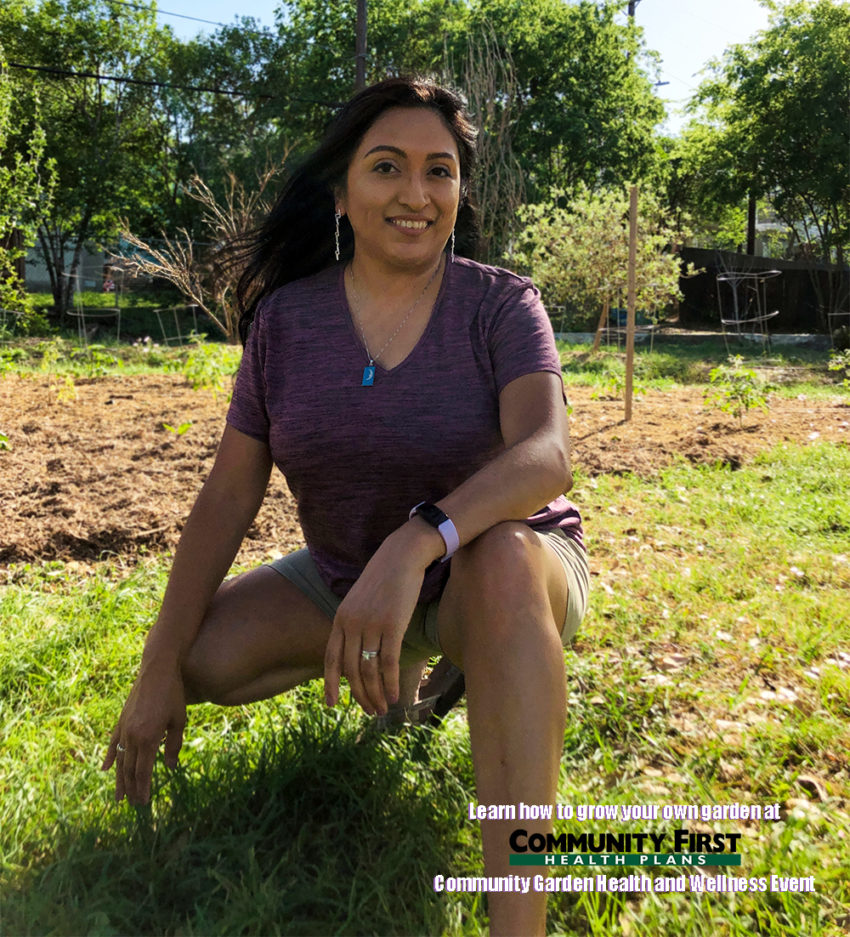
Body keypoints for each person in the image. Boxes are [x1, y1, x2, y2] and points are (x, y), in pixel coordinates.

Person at [102, 76, 588, 936]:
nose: (415, 193)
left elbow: (546, 457)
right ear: (343, 191)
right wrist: (154, 669)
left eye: (439, 171)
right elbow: (226, 496)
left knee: (504, 561)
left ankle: (520, 919)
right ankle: (405, 679)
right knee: (204, 658)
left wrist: (419, 539)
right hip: (348, 580)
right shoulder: (286, 324)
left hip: (499, 572)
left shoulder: (502, 305)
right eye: (387, 167)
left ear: (459, 192)